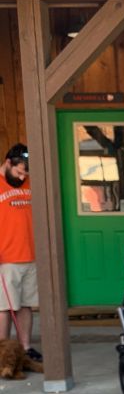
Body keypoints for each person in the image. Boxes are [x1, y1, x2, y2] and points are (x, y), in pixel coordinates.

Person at [0, 143, 41, 362]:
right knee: (4, 308)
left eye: (25, 172)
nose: (22, 176)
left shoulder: (29, 182)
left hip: (30, 255)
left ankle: (25, 349)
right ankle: (3, 352)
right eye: (19, 171)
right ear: (8, 163)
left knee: (25, 305)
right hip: (6, 258)